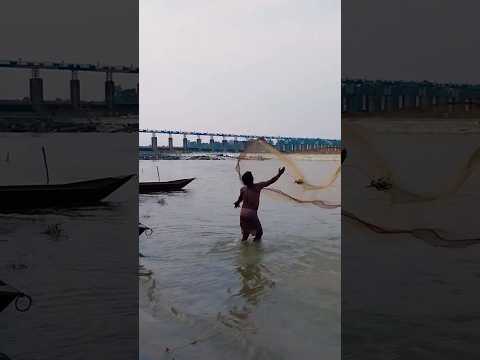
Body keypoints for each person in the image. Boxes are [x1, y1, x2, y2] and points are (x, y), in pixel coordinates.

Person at [234, 167, 286, 241]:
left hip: (243, 213)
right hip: (251, 213)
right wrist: (279, 174)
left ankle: (243, 250)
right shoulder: (257, 186)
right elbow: (271, 181)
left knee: (245, 235)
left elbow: (239, 199)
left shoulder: (243, 189)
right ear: (252, 179)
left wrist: (237, 203)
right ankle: (255, 250)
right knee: (259, 233)